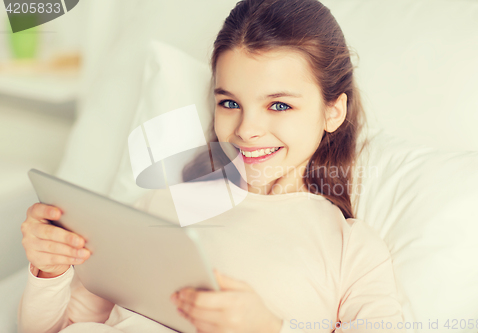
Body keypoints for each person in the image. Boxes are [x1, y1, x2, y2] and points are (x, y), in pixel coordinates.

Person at [17, 0, 406, 332]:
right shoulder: (164, 203)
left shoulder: (350, 248)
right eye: (230, 103)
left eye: (280, 105)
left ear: (333, 111)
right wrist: (49, 271)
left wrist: (269, 327)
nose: (246, 130)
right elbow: (64, 324)